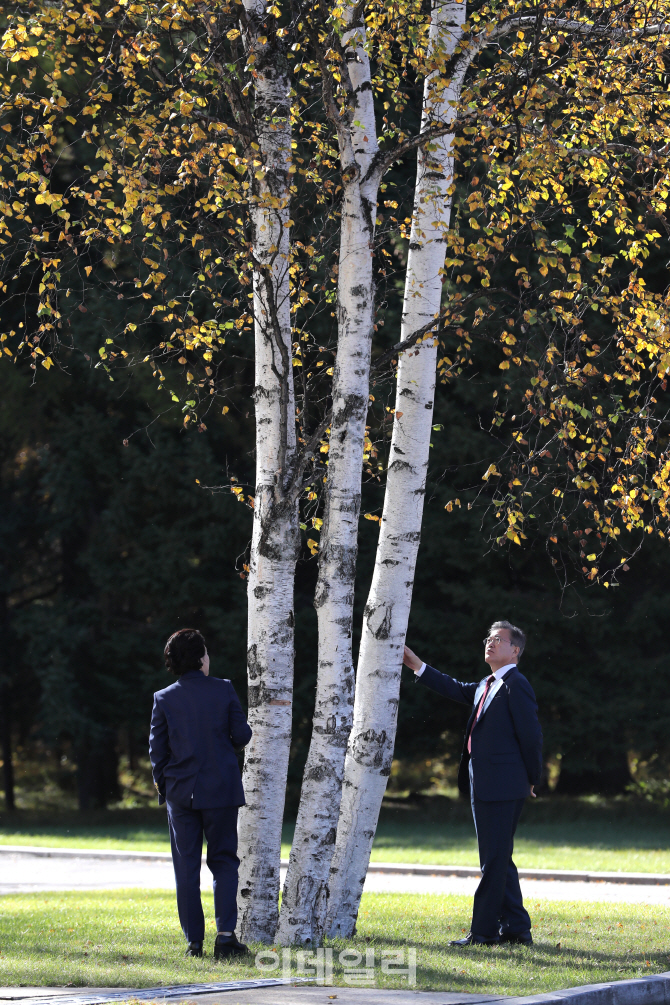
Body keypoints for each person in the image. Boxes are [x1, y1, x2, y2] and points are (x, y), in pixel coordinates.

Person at [403, 620, 543, 947]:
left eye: (498, 640)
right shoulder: (487, 683)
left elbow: (531, 736)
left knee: (492, 859)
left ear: (515, 650)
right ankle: (517, 929)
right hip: (485, 784)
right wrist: (417, 665)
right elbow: (454, 687)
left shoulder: (516, 684)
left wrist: (532, 778)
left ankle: (483, 933)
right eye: (488, 639)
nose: (490, 643)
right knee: (499, 856)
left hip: (504, 785)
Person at [149, 628, 252, 959]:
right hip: (221, 790)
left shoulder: (163, 698)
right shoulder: (223, 690)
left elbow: (158, 752)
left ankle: (194, 942)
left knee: (186, 867)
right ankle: (225, 937)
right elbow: (241, 735)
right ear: (200, 658)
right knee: (223, 862)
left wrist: (165, 788)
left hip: (181, 794)